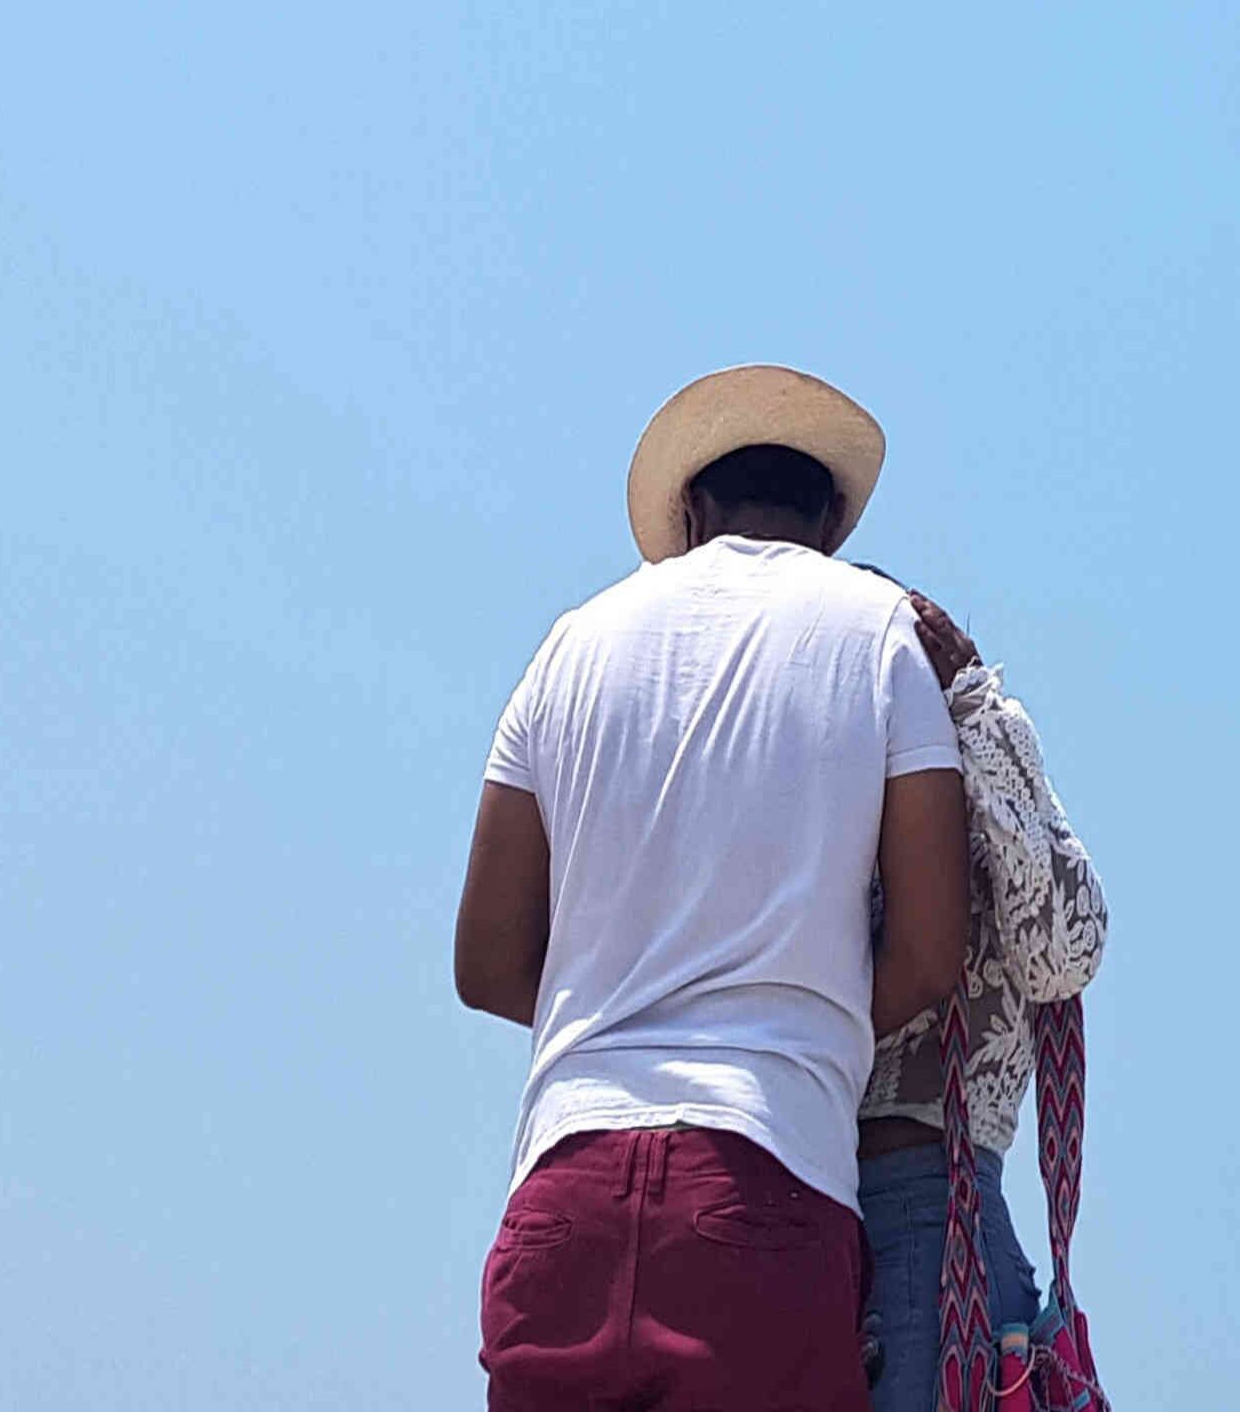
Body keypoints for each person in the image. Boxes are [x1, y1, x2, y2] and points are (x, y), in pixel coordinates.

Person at [456, 365, 971, 1412]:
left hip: (563, 1195)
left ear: (689, 512)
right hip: (765, 1191)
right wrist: (802, 1025)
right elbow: (930, 947)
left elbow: (487, 964)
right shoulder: (878, 634)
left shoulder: (569, 646)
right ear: (829, 519)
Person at [853, 585, 1110, 1412]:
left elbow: (1065, 952)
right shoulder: (828, 788)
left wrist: (976, 709)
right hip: (811, 1206)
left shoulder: (982, 774)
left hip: (939, 1222)